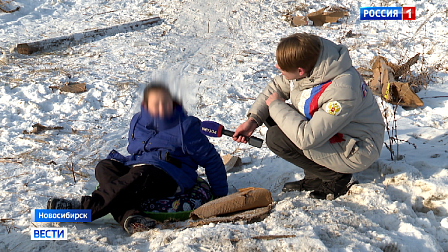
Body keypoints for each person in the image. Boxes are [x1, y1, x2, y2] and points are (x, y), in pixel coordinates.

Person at [47, 83, 228, 234]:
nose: (161, 108)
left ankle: (83, 208)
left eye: (165, 103)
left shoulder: (186, 127)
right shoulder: (138, 121)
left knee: (142, 174)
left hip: (171, 175)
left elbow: (211, 160)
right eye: (154, 104)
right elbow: (135, 151)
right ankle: (130, 217)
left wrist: (220, 195)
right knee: (104, 166)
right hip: (140, 168)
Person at [233, 33, 385, 200]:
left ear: (300, 71)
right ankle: (315, 176)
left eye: (282, 68)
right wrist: (253, 120)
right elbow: (277, 86)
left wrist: (277, 106)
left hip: (356, 148)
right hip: (335, 132)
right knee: (271, 112)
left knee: (276, 136)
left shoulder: (342, 90)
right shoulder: (313, 62)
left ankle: (336, 177)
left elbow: (308, 138)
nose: (277, 67)